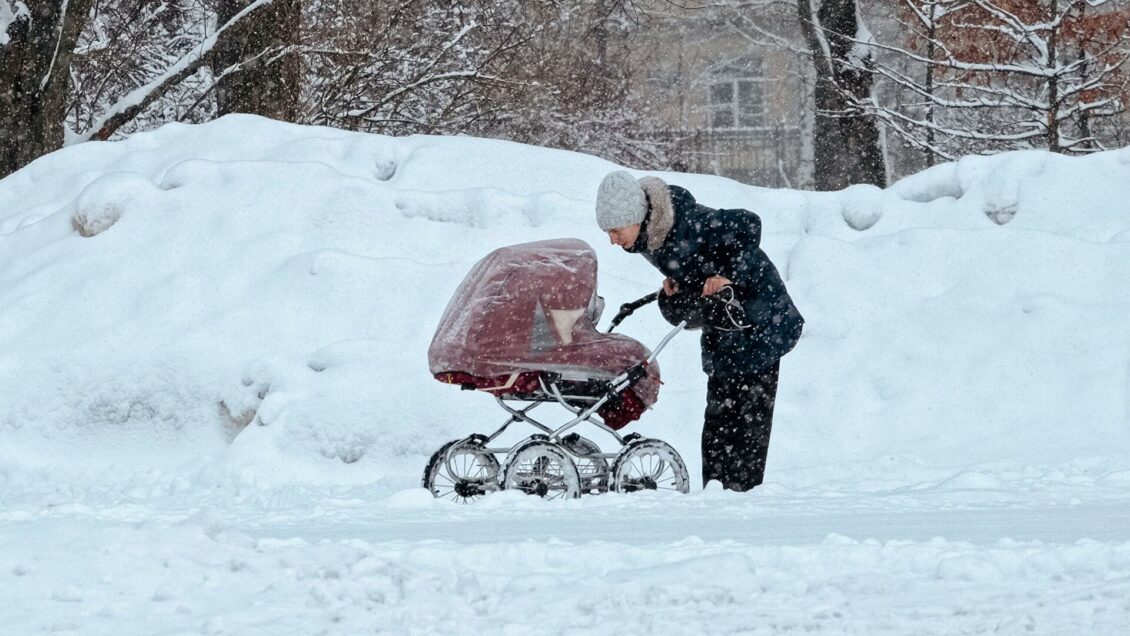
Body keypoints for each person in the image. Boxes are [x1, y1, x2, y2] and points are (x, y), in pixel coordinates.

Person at [594, 170, 804, 491]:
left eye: (615, 230)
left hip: (762, 321)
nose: (612, 239)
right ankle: (715, 492)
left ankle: (743, 496)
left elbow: (749, 224)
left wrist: (725, 274)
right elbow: (695, 266)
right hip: (724, 325)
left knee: (747, 420)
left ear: (634, 217)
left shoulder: (686, 222)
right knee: (718, 418)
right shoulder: (650, 237)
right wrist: (678, 287)